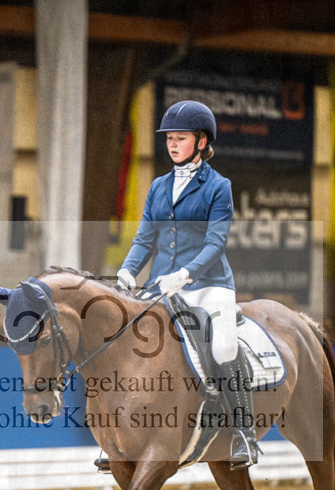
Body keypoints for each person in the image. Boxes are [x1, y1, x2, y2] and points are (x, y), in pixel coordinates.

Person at [112, 99, 261, 470]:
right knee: (126, 338)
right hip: (161, 283)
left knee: (224, 347)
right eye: (169, 139)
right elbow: (145, 240)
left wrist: (187, 273)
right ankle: (116, 434)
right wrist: (128, 272)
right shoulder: (159, 186)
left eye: (180, 138)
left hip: (208, 283)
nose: (172, 144)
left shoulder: (219, 187)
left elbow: (216, 243)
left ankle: (244, 433)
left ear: (201, 141)